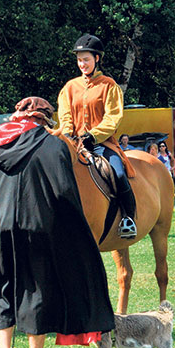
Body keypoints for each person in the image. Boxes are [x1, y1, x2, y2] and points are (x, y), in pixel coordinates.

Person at [0, 97, 115, 348]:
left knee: (1, 289)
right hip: (36, 229)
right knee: (36, 292)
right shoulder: (53, 145)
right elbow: (64, 192)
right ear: (45, 121)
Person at [58, 33, 136, 239]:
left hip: (101, 144)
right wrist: (67, 133)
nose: (82, 63)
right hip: (74, 144)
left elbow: (113, 117)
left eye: (86, 59)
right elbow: (65, 114)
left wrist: (93, 135)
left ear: (97, 59)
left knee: (118, 173)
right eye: (79, 59)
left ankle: (128, 218)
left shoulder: (109, 86)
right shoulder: (69, 87)